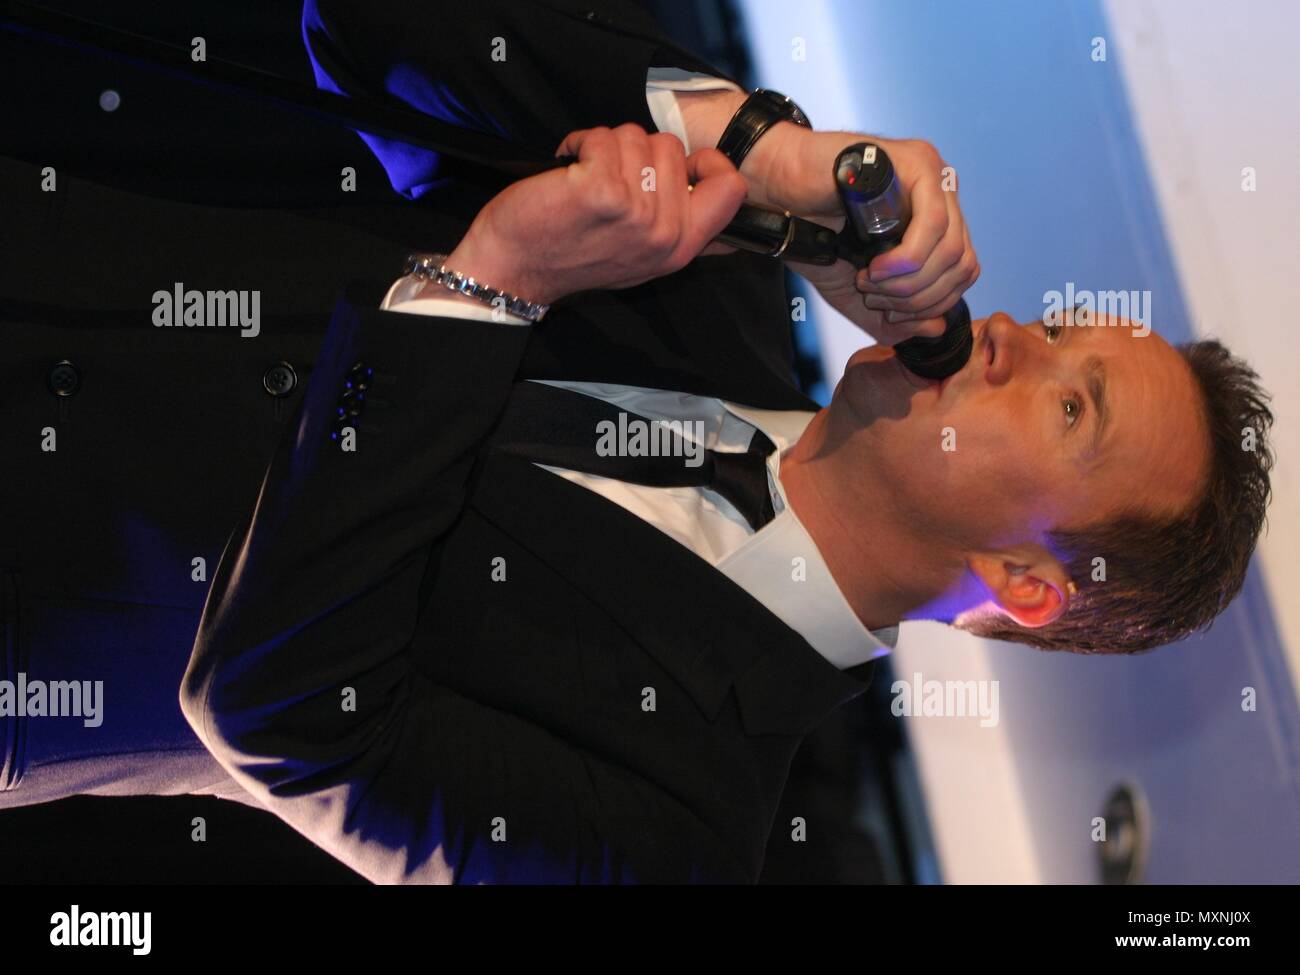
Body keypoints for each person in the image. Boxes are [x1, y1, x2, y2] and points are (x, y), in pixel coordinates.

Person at [177, 1, 1274, 884]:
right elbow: (368, 35)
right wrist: (760, 148)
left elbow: (284, 713)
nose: (1003, 337)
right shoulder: (718, 260)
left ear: (1023, 583)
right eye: (1049, 329)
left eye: (1070, 406)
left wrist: (497, 283)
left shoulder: (679, 828)